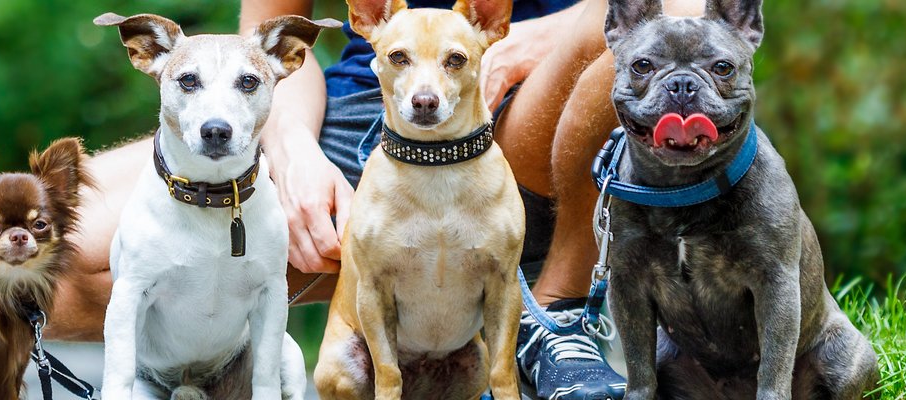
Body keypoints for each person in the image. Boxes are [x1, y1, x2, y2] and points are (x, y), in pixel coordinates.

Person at [48, 0, 712, 397]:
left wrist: (544, 33)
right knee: (58, 247)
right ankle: (209, 371)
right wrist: (291, 153)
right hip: (350, 110)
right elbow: (275, 39)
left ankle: (556, 318)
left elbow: (688, 8)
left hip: (523, 111)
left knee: (650, 22)